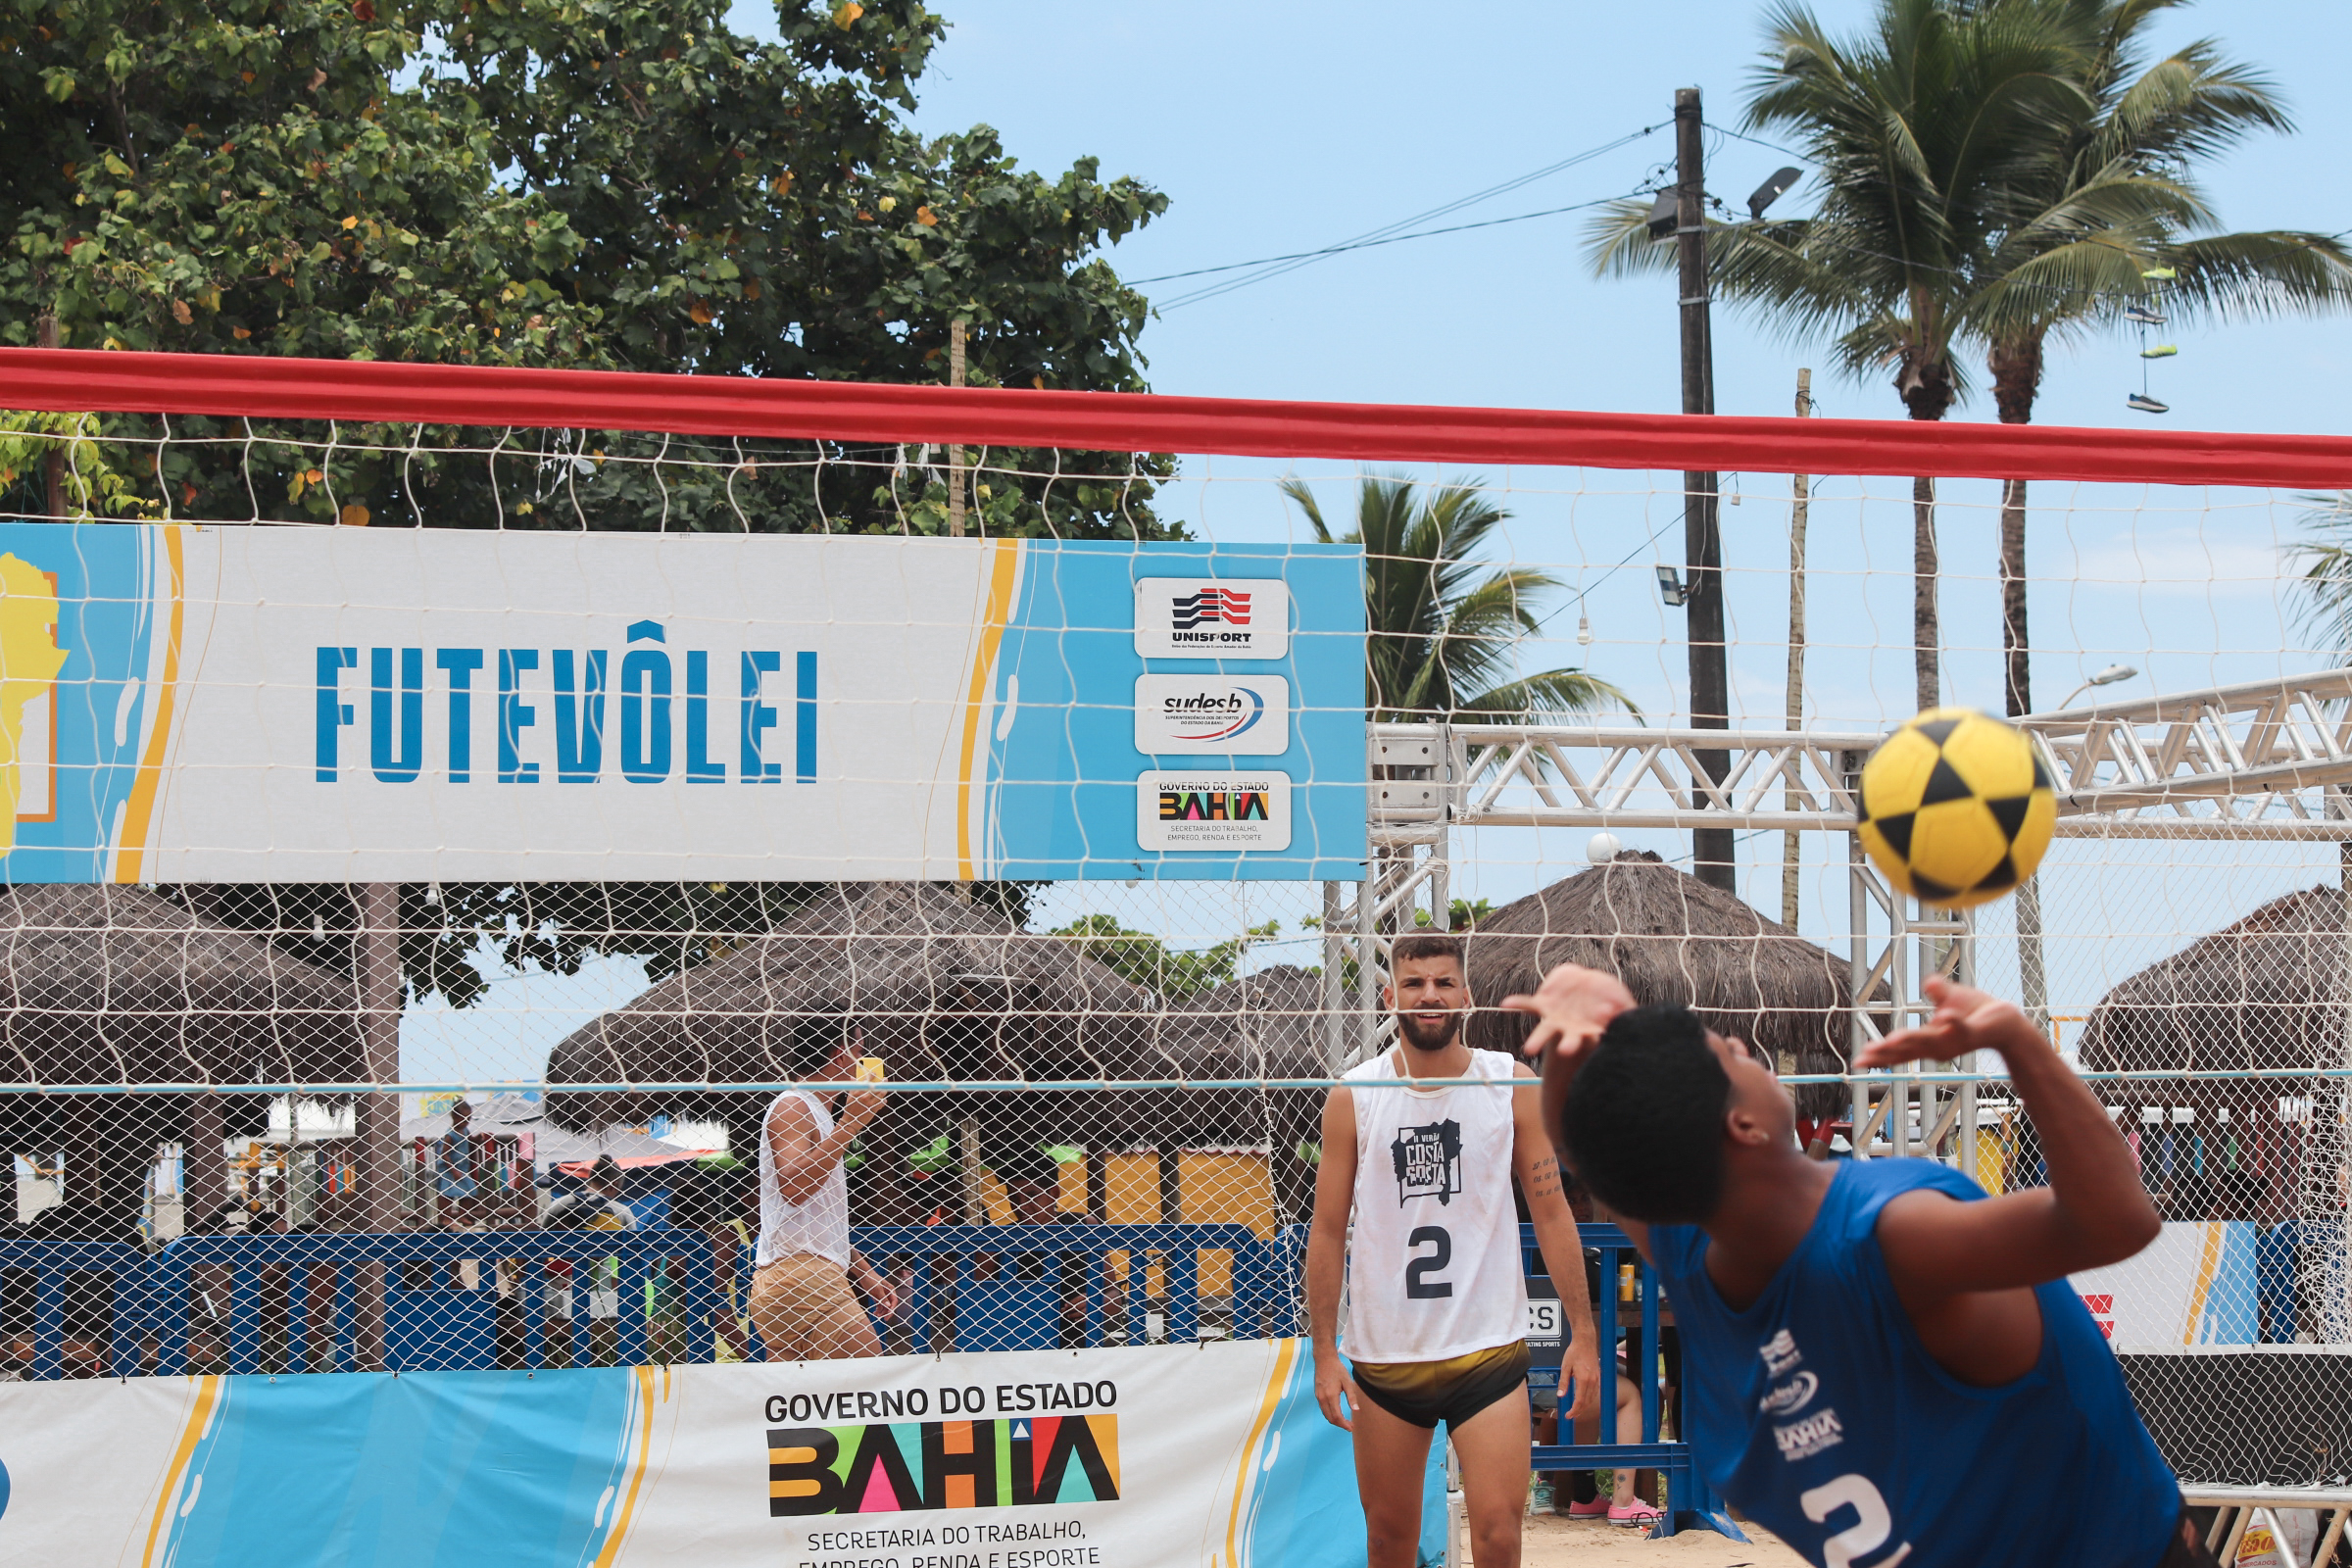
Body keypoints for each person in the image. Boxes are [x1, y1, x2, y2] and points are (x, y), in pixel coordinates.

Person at [1510, 963, 2209, 1568]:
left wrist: (1588, 1036)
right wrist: (2014, 1039)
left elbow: (1584, 1139)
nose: (1747, 1047)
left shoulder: (1693, 1254)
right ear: (1743, 1127)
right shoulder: (1886, 1240)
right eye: (1731, 1052)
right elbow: (2119, 1218)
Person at [1305, 932, 1601, 1568]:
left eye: (1443, 982)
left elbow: (1552, 1213)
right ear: (1390, 996)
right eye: (1414, 984)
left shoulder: (1510, 1084)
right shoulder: (1354, 1094)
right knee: (1389, 1543)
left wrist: (1583, 1331)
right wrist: (1324, 1352)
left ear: (1466, 994)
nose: (1429, 995)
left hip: (1486, 1353)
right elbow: (1327, 1230)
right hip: (1388, 1358)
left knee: (1499, 1537)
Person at [751, 1024, 900, 1361]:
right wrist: (851, 1125)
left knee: (802, 1405)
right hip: (805, 1278)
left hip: (794, 1276)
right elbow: (794, 1188)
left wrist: (863, 1271)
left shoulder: (814, 1111)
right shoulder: (794, 1105)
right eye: (860, 1053)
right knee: (866, 1390)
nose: (863, 1061)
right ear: (840, 1053)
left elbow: (812, 1219)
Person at [541, 1153, 637, 1363]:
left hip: (558, 1286)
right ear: (613, 1185)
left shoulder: (559, 1205)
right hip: (600, 1291)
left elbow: (540, 1243)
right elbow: (633, 1259)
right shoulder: (621, 1212)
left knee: (557, 1352)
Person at [433, 1099, 487, 1230]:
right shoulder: (450, 1135)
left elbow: (471, 1141)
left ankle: (463, 1214)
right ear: (454, 1117)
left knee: (469, 1191)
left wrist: (479, 1138)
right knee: (447, 1194)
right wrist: (453, 1170)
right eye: (463, 1119)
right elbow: (444, 1154)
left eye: (468, 1119)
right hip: (449, 1169)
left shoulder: (465, 1131)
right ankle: (446, 1218)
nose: (465, 1122)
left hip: (462, 1168)